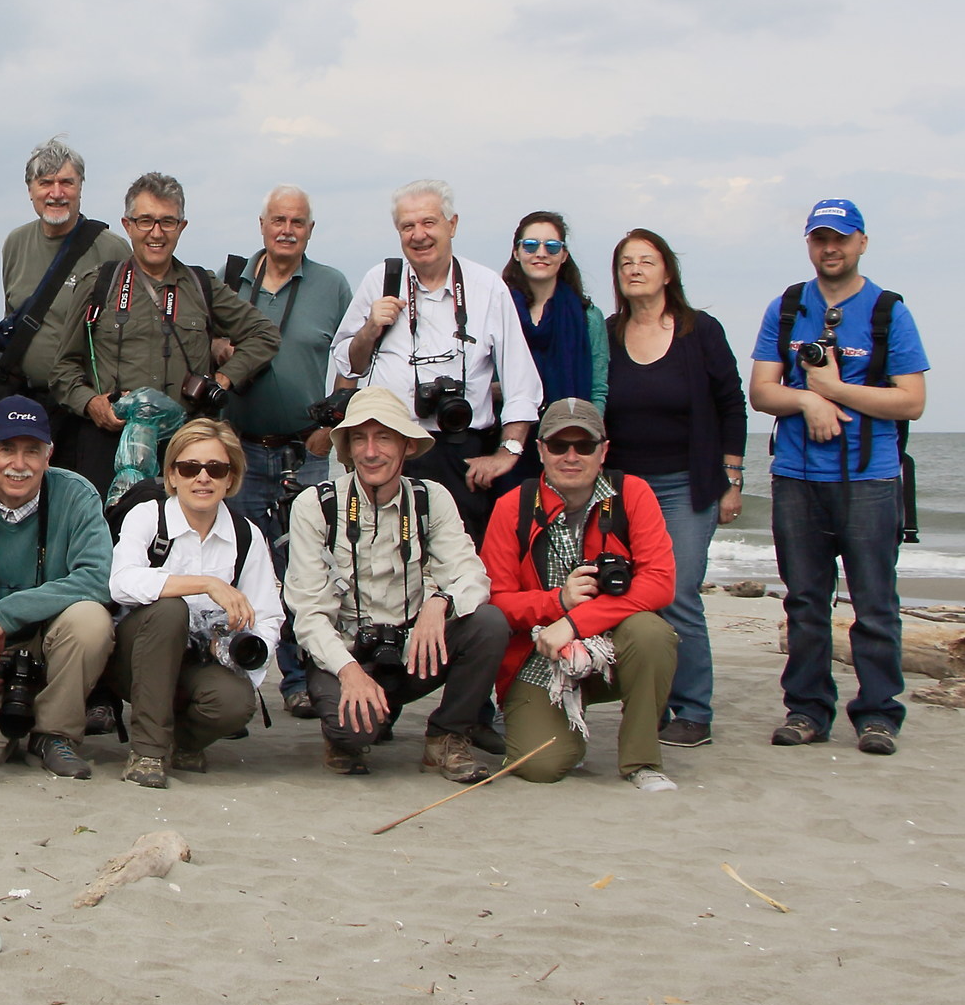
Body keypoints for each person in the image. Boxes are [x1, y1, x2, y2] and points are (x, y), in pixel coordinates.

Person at [749, 198, 929, 756]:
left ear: (861, 243)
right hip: (797, 476)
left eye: (841, 238)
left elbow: (912, 401)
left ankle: (878, 714)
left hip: (871, 479)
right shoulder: (787, 307)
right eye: (820, 238)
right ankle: (806, 710)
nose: (831, 249)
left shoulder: (887, 311)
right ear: (809, 243)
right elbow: (761, 392)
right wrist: (807, 400)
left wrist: (834, 390)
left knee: (874, 603)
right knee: (805, 602)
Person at [282, 389, 507, 783]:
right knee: (354, 731)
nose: (371, 452)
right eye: (359, 439)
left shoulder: (431, 499)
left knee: (488, 623)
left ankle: (447, 735)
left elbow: (472, 576)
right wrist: (349, 671)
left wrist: (440, 602)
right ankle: (350, 729)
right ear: (348, 449)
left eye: (384, 438)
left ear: (407, 446)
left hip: (412, 650)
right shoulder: (315, 505)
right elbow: (308, 614)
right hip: (345, 652)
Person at [478, 399, 680, 790]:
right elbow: (496, 599)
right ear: (541, 451)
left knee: (652, 633)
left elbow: (659, 582)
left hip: (614, 649)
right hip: (541, 655)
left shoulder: (632, 494)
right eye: (558, 446)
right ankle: (556, 728)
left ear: (603, 451)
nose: (571, 457)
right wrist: (557, 602)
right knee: (541, 767)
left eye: (584, 446)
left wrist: (573, 622)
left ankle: (641, 761)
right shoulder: (513, 506)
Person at [43, 173, 281, 495]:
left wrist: (223, 380)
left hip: (185, 450)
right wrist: (92, 404)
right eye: (145, 221)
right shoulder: (99, 285)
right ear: (127, 225)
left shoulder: (202, 286)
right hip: (111, 444)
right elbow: (62, 369)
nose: (156, 233)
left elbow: (265, 335)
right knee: (109, 527)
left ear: (182, 227)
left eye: (167, 222)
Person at [330, 179, 543, 531]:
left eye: (429, 222)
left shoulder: (486, 286)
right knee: (382, 553)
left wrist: (507, 453)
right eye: (407, 226)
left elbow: (522, 384)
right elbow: (347, 364)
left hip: (460, 454)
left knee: (459, 556)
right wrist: (370, 328)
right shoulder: (381, 280)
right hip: (389, 447)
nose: (419, 235)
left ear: (452, 224)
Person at [218, 184, 355, 719]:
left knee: (307, 567)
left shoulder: (331, 284)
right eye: (278, 220)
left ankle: (300, 680)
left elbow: (351, 360)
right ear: (262, 225)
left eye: (297, 222)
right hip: (241, 450)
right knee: (238, 565)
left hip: (306, 449)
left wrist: (331, 425)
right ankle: (233, 681)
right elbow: (202, 345)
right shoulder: (232, 279)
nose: (287, 230)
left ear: (310, 230)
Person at [604, 229, 745, 747]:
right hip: (623, 489)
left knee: (679, 592)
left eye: (647, 260)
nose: (635, 269)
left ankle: (694, 709)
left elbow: (732, 404)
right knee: (634, 596)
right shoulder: (608, 333)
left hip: (687, 485)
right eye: (626, 262)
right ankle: (651, 706)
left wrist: (732, 479)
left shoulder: (699, 330)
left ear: (667, 272)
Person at [0, 397, 116, 778]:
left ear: (49, 455)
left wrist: (9, 612)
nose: (19, 464)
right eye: (6, 449)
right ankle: (12, 717)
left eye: (32, 451)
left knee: (90, 620)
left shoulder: (77, 495)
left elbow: (97, 578)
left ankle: (54, 733)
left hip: (48, 643)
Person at [104, 418, 283, 788]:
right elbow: (120, 583)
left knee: (235, 703)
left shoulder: (246, 535)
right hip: (135, 657)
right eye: (189, 468)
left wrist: (239, 654)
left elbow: (268, 616)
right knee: (170, 609)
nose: (203, 478)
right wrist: (206, 584)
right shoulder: (148, 516)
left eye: (216, 469)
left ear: (231, 478)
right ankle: (148, 752)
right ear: (172, 475)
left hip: (201, 662)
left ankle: (184, 741)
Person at [0, 137, 130, 421]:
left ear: (80, 188)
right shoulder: (15, 243)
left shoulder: (112, 249)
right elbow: (12, 314)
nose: (56, 193)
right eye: (45, 183)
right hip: (29, 404)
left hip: (89, 408)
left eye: (67, 182)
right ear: (30, 190)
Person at [501, 211, 608, 467]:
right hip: (504, 441)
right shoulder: (498, 312)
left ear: (564, 255)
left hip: (570, 446)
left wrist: (589, 440)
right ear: (516, 253)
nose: (541, 253)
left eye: (551, 246)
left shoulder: (589, 317)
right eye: (530, 245)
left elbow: (598, 390)